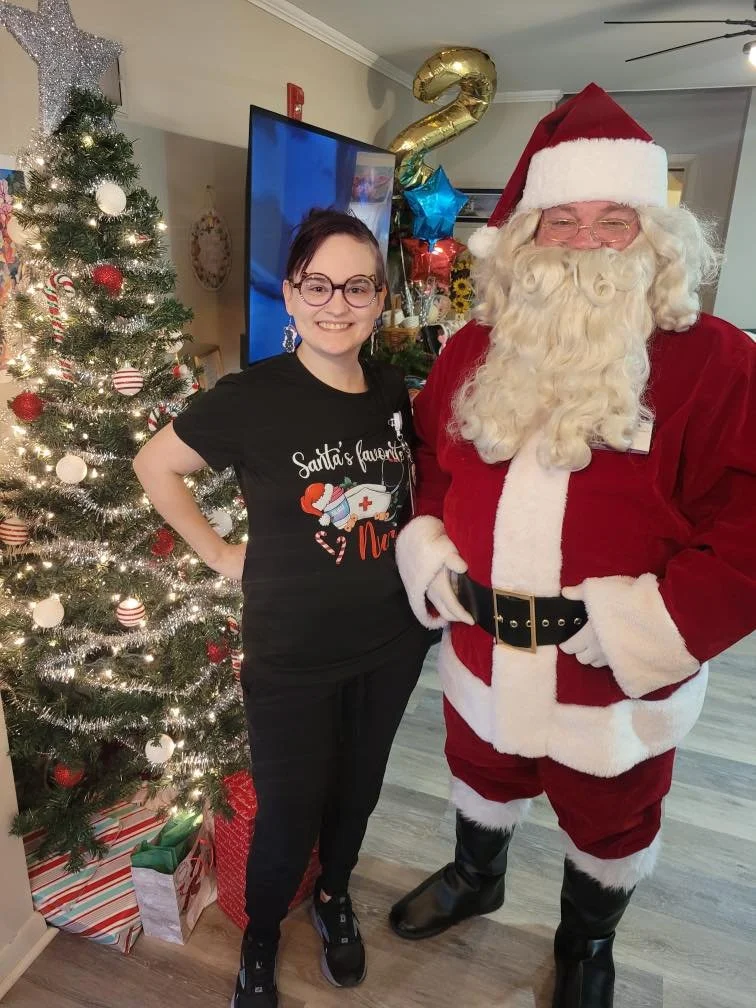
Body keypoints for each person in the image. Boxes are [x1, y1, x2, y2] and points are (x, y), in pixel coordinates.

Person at [388, 83, 756, 1008]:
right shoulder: (470, 350)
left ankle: (585, 941)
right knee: (480, 769)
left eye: (613, 221)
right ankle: (479, 876)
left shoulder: (717, 361)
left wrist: (656, 623)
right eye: (563, 222)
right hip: (478, 644)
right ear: (526, 241)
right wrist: (429, 544)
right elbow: (433, 456)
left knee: (612, 815)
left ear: (653, 238)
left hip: (611, 668)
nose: (587, 242)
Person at [133, 209, 431, 1008]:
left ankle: (334, 898)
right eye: (318, 284)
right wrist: (221, 554)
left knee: (358, 790)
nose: (338, 303)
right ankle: (261, 933)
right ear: (292, 295)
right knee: (289, 808)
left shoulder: (395, 392)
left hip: (392, 641)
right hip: (292, 654)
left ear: (379, 299)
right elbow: (155, 465)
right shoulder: (252, 396)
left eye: (357, 286)